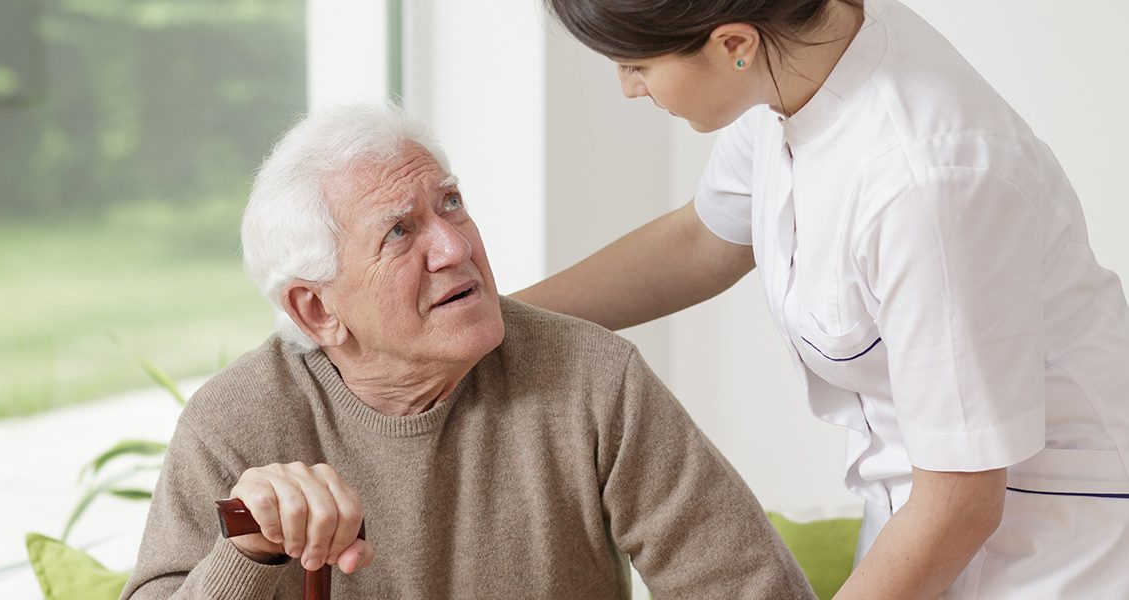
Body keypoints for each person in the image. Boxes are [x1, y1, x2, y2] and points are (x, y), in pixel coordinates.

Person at [517, 0, 1129, 597]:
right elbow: (703, 239)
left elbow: (960, 503)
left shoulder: (923, 180)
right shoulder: (794, 61)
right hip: (918, 519)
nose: (627, 88)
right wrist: (498, 323)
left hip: (1059, 551)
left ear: (733, 44)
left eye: (636, 65)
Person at [121, 103, 815, 599]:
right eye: (399, 232)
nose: (455, 248)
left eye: (450, 204)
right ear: (316, 308)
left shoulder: (594, 380)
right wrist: (249, 547)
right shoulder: (235, 422)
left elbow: (749, 586)